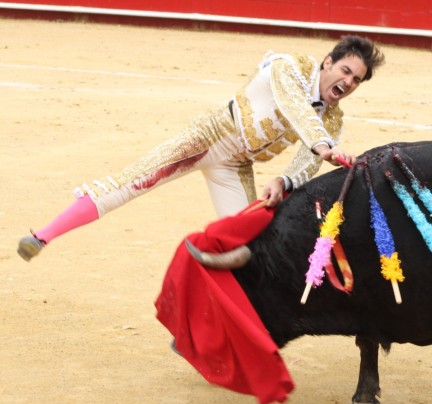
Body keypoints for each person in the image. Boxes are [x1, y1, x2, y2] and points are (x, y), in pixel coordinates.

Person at [17, 35, 385, 261]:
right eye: (345, 71)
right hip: (207, 138)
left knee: (248, 246)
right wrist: (323, 146)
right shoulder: (289, 67)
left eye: (356, 80)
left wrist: (284, 180)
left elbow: (306, 162)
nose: (348, 82)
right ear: (328, 62)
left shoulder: (332, 119)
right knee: (129, 184)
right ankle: (41, 236)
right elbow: (295, 108)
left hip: (236, 166)